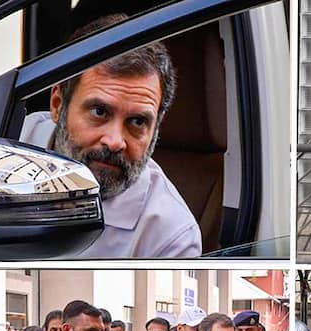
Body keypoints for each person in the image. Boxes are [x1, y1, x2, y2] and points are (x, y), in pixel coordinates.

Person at [19, 14, 201, 258]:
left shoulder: (170, 236)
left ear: (157, 127)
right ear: (58, 104)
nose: (115, 141)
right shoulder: (6, 141)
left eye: (138, 122)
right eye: (99, 112)